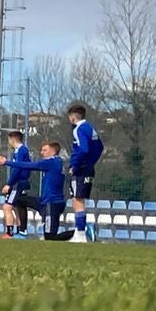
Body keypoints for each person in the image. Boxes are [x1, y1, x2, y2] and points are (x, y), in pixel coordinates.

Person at [67, 101, 104, 243]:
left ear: (72, 117)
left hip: (81, 169)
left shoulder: (79, 129)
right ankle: (78, 232)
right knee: (79, 199)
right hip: (88, 167)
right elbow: (100, 147)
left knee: (77, 200)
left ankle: (81, 233)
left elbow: (84, 149)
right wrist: (91, 162)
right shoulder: (90, 128)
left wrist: (75, 165)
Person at [0, 129, 33, 238]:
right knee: (17, 207)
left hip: (19, 183)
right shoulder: (18, 151)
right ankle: (20, 232)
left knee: (7, 207)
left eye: (9, 140)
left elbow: (18, 168)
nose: (8, 142)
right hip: (18, 183)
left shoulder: (22, 150)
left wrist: (9, 183)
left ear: (13, 140)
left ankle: (10, 233)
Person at [27, 141, 73, 240]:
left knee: (50, 237)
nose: (41, 153)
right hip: (45, 201)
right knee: (18, 200)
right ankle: (21, 230)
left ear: (52, 151)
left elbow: (29, 165)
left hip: (51, 203)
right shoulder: (57, 162)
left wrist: (6, 162)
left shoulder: (53, 162)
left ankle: (81, 231)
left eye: (44, 150)